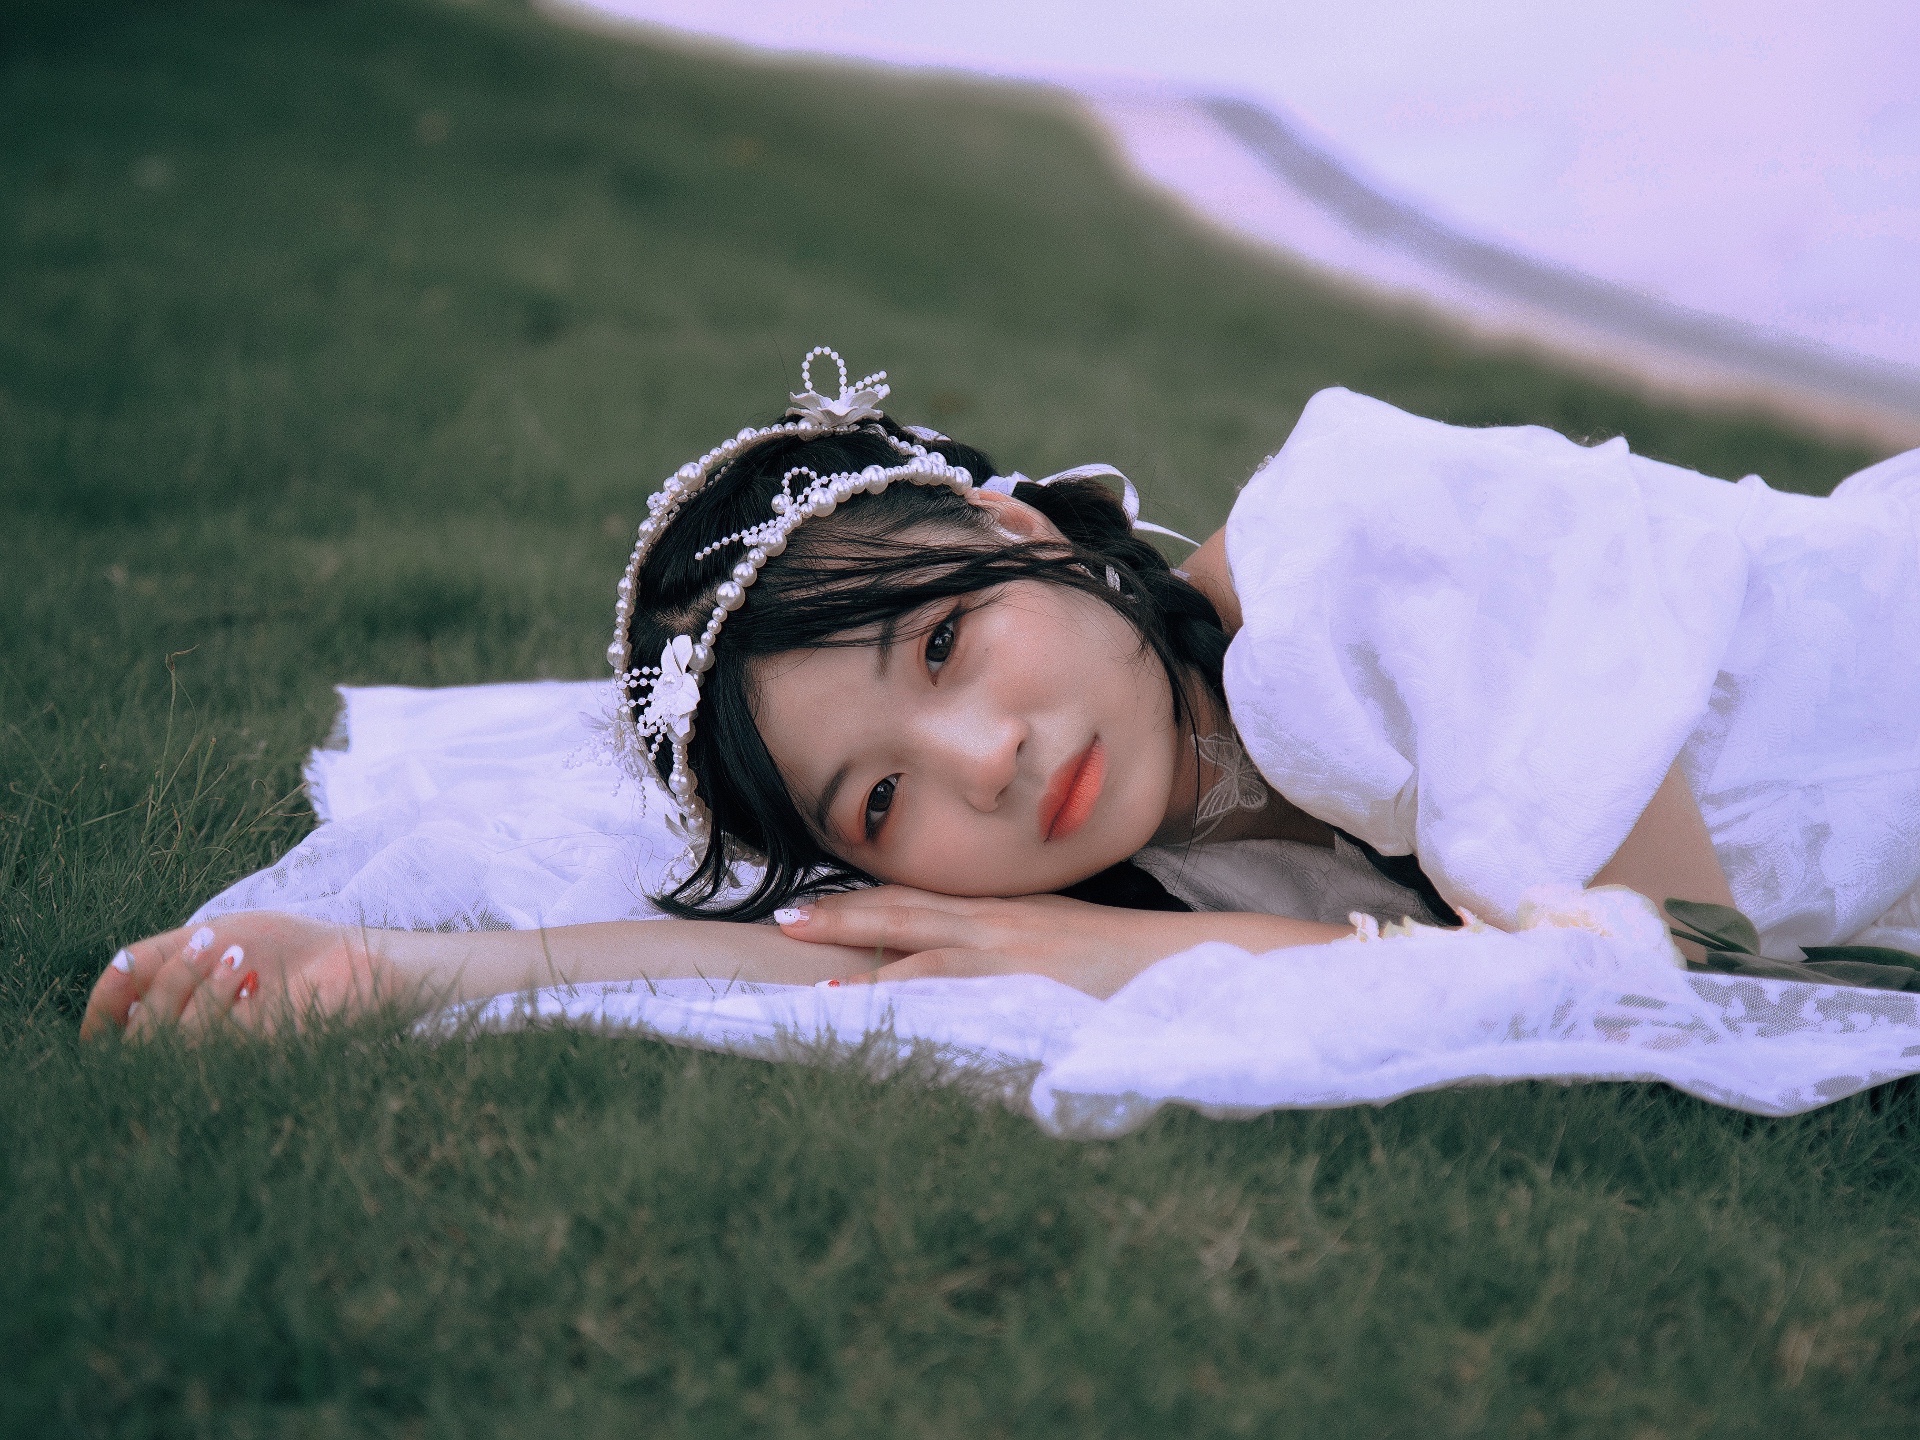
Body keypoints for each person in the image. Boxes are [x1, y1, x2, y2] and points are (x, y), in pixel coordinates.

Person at [83, 350, 1920, 1041]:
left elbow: (1683, 977)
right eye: (883, 800)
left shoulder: (1358, 554)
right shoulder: (1149, 844)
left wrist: (1143, 960)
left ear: (1014, 526)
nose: (987, 762)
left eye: (947, 644)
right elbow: (826, 956)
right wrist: (382, 969)